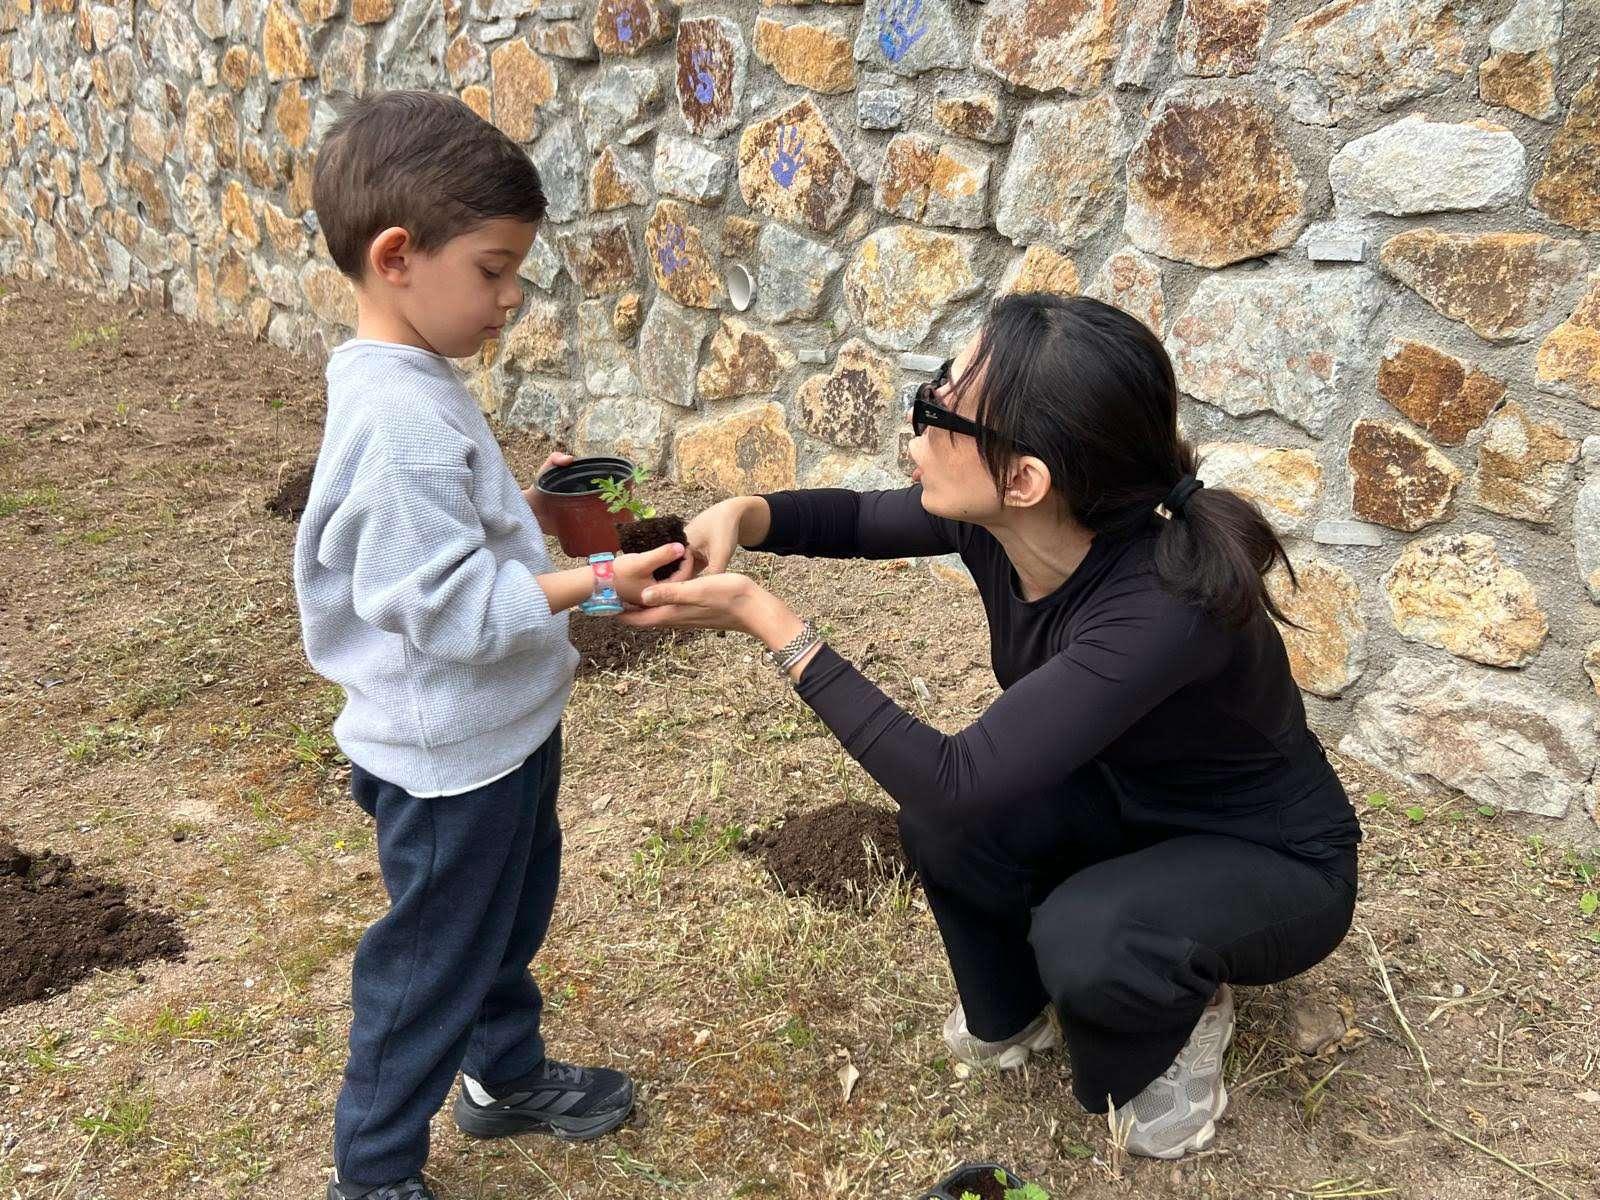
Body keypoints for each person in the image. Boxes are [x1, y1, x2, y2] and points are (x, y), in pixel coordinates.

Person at [622, 293, 1361, 1160]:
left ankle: (1184, 1007)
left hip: (1271, 856)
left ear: (1025, 480)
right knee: (947, 831)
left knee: (1088, 934)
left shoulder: (1162, 607)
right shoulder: (1006, 524)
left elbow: (955, 778)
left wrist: (765, 617)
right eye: (939, 382)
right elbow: (855, 519)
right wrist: (744, 514)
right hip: (1127, 802)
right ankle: (1014, 1013)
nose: (920, 418)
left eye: (939, 408)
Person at [294, 92, 684, 1200]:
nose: (513, 297)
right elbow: (453, 610)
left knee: (500, 926)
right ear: (397, 257)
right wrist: (598, 582)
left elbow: (451, 535)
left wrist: (530, 510)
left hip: (499, 736)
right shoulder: (398, 422)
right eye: (495, 269)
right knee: (430, 964)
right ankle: (373, 1173)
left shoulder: (413, 380)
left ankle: (502, 1076)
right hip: (448, 764)